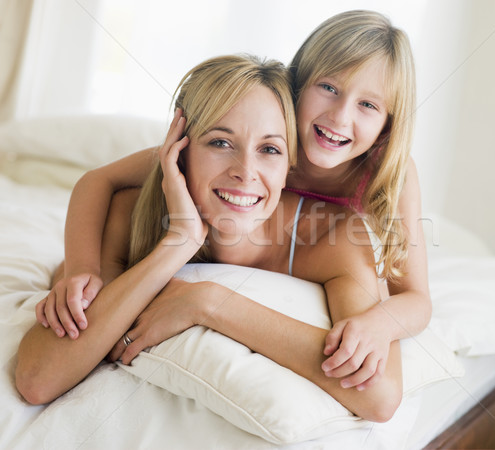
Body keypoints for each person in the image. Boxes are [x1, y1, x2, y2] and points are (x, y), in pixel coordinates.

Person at [36, 10, 430, 391]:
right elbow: (99, 179)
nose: (340, 117)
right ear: (296, 86)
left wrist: (379, 324)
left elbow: (416, 297)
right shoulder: (265, 135)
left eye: (368, 105)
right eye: (328, 87)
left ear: (386, 125)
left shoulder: (388, 173)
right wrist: (80, 268)